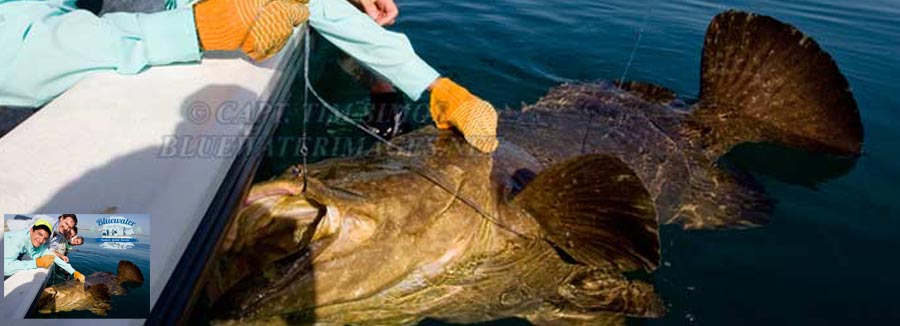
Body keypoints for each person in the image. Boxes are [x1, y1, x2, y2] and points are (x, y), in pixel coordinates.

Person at [0, 0, 498, 152]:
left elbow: (309, 2)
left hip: (128, 136)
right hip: (29, 165)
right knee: (73, 300)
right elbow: (13, 58)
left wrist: (433, 85)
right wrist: (191, 28)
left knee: (113, 286)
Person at [3, 220, 85, 282]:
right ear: (31, 231)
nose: (41, 240)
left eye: (45, 238)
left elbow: (54, 258)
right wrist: (36, 263)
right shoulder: (18, 239)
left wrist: (74, 272)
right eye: (40, 234)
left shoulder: (41, 246)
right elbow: (5, 268)